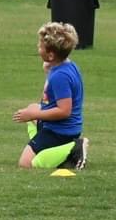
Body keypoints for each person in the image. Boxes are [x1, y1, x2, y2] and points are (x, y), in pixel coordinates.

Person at [12, 22, 89, 169]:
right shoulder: (66, 66)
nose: (37, 48)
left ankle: (74, 148)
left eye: (40, 46)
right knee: (32, 109)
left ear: (51, 55)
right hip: (63, 127)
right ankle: (58, 153)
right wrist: (49, 69)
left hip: (60, 131)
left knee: (25, 163)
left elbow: (64, 111)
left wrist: (34, 114)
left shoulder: (60, 75)